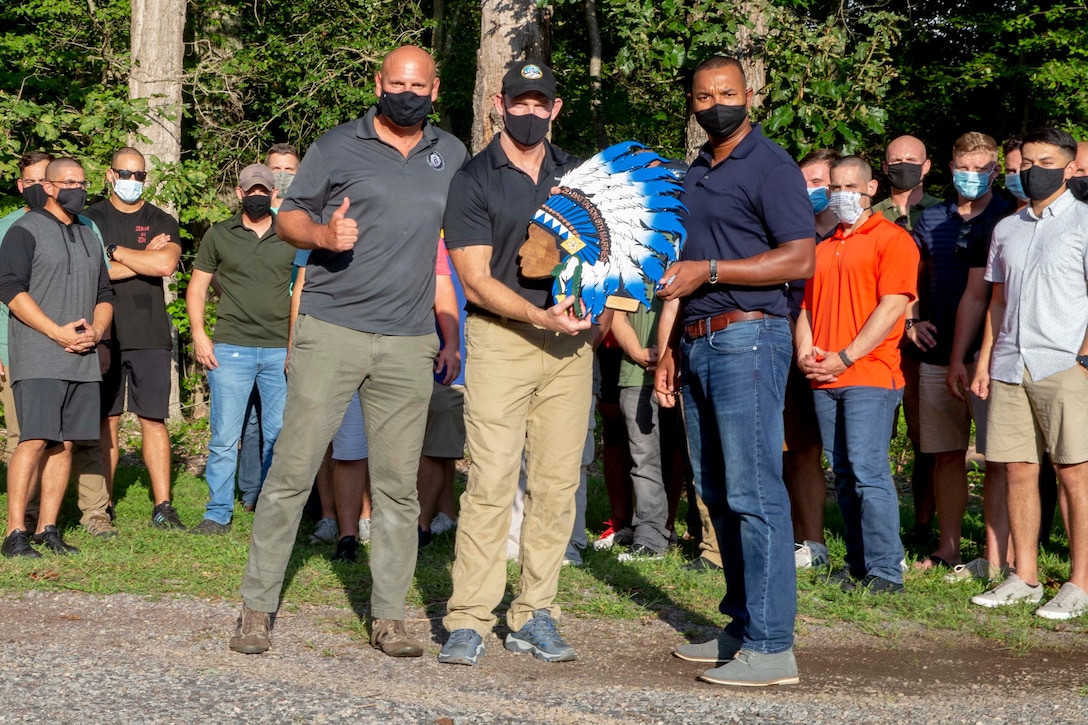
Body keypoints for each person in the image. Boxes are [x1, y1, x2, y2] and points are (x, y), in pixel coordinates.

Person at [230, 45, 468, 658]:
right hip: (331, 329)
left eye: (418, 84)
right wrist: (322, 234)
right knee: (291, 471)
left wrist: (449, 331)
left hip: (409, 340)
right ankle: (256, 609)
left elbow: (456, 250)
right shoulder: (336, 146)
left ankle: (388, 618)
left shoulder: (454, 155)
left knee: (396, 488)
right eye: (396, 82)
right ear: (378, 82)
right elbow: (288, 219)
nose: (407, 93)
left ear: (436, 88)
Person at [655, 55, 815, 687]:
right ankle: (743, 628)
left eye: (726, 92)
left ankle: (774, 647)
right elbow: (684, 266)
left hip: (749, 337)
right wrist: (668, 345)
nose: (715, 102)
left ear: (750, 96)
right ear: (691, 104)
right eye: (702, 95)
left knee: (753, 491)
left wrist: (715, 273)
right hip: (696, 339)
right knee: (717, 491)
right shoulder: (695, 171)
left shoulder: (770, 165)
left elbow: (799, 258)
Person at [437, 60, 591, 667]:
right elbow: (473, 281)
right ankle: (470, 618)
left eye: (541, 104)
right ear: (499, 104)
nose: (530, 113)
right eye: (519, 103)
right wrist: (540, 317)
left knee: (557, 486)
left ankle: (536, 614)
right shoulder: (473, 177)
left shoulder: (578, 175)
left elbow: (607, 255)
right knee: (492, 482)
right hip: (502, 340)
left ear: (555, 109)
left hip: (570, 348)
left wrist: (591, 311)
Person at [970, 127, 1088, 620]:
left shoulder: (1084, 222)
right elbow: (997, 302)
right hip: (1009, 365)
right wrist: (983, 362)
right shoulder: (1007, 228)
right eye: (1025, 162)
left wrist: (1084, 357)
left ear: (1067, 168)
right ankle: (1026, 576)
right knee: (1017, 470)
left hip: (1063, 363)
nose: (1031, 170)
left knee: (1074, 474)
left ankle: (1081, 583)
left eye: (1044, 162)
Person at [796, 155, 918, 595]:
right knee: (844, 473)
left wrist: (845, 357)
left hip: (869, 373)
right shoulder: (824, 246)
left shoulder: (893, 239)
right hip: (824, 377)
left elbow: (892, 308)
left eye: (850, 187)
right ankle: (858, 562)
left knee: (868, 472)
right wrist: (805, 354)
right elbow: (806, 308)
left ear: (871, 190)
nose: (841, 195)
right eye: (835, 187)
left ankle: (886, 571)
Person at [907, 133, 1010, 574]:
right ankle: (948, 549)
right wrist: (912, 319)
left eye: (980, 168)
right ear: (950, 167)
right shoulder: (930, 217)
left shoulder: (1010, 214)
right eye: (963, 168)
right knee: (945, 454)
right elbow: (912, 274)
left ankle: (995, 555)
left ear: (996, 170)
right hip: (936, 352)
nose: (970, 176)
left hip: (992, 355)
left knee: (998, 458)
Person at [0, 152, 117, 540]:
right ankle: (16, 530)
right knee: (34, 440)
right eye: (69, 184)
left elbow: (104, 291)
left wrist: (96, 331)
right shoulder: (25, 229)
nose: (78, 191)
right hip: (38, 354)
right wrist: (55, 331)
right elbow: (10, 289)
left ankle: (47, 529)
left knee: (66, 444)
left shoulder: (88, 232)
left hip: (81, 356)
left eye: (82, 184)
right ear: (48, 187)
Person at [186, 164, 295, 534]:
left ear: (275, 194)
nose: (258, 197)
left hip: (280, 348)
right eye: (252, 191)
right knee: (224, 437)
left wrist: (296, 343)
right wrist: (199, 334)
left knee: (278, 434)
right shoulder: (220, 234)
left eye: (264, 190)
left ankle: (270, 509)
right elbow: (198, 287)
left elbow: (308, 287)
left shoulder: (291, 233)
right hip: (231, 347)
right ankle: (217, 512)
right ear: (239, 193)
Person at [84, 147, 183, 529]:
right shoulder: (89, 218)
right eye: (125, 173)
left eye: (139, 175)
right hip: (104, 333)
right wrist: (140, 257)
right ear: (110, 175)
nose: (131, 181)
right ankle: (102, 506)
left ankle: (163, 505)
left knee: (153, 419)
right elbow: (93, 272)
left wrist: (115, 253)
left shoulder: (161, 219)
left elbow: (165, 264)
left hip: (150, 334)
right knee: (105, 420)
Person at [872, 134, 941, 549]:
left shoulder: (941, 214)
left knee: (924, 441)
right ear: (884, 166)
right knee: (874, 440)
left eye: (911, 159)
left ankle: (921, 526)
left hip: (924, 343)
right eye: (895, 160)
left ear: (927, 166)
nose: (903, 165)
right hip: (878, 341)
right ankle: (875, 527)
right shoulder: (868, 214)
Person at [236, 143, 303, 507]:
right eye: (274, 168)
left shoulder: (304, 216)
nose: (280, 174)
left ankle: (285, 491)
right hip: (249, 334)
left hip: (290, 331)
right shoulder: (250, 220)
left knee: (287, 419)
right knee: (250, 419)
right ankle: (251, 490)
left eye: (288, 169)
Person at [787, 148, 839, 570]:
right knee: (795, 448)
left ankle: (830, 544)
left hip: (840, 357)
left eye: (820, 182)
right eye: (805, 181)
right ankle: (801, 539)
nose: (812, 190)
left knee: (840, 455)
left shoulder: (851, 235)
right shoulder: (789, 231)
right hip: (788, 351)